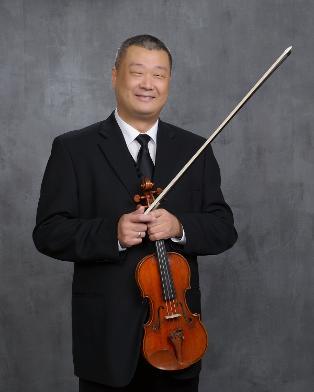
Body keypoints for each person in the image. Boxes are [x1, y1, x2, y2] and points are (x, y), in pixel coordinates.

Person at [33, 34, 237, 392]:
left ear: (169, 81)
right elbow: (48, 232)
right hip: (106, 339)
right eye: (137, 72)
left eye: (159, 75)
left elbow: (223, 228)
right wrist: (110, 234)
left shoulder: (196, 149)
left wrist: (179, 225)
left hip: (177, 335)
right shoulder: (73, 149)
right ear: (115, 76)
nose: (148, 84)